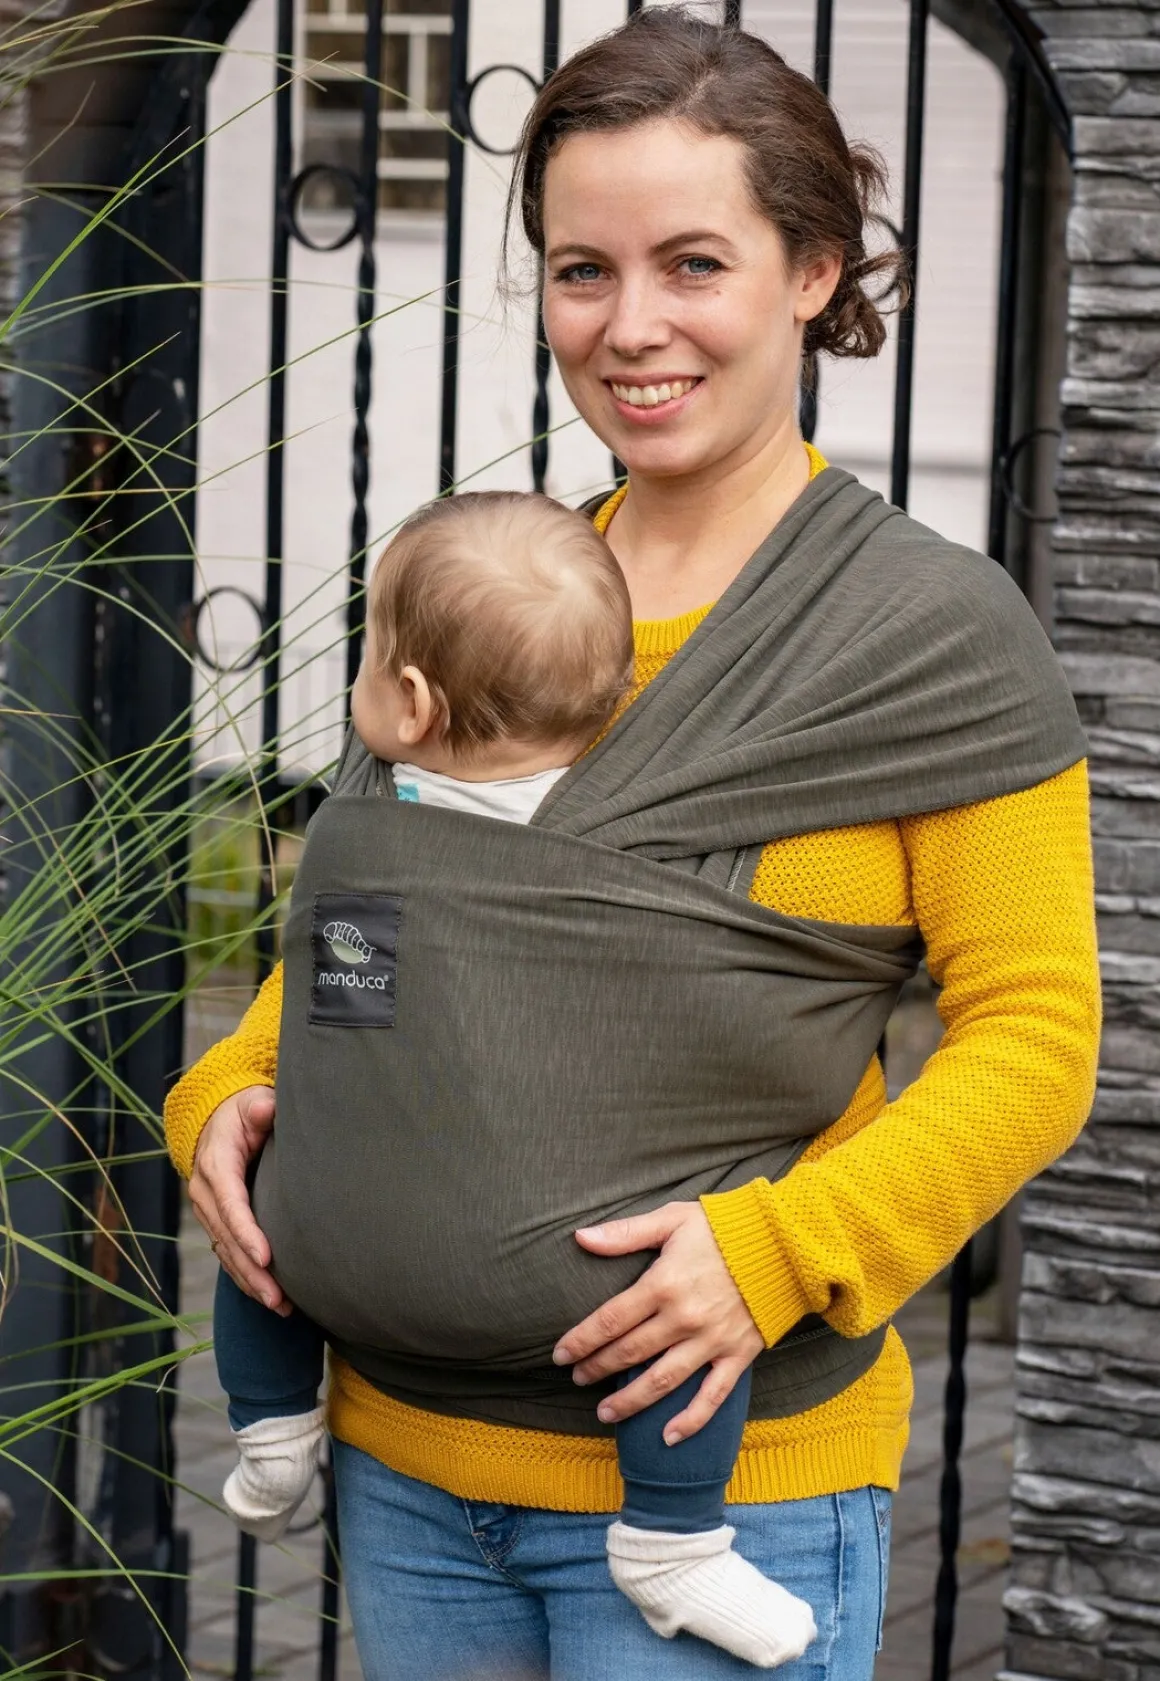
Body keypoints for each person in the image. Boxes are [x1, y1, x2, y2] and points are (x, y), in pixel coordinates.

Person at [166, 11, 1101, 1679]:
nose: (631, 326)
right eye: (581, 270)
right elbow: (371, 932)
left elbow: (1036, 1036)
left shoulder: (925, 634)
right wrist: (227, 1099)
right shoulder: (489, 588)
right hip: (403, 1473)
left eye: (694, 264)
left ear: (815, 273)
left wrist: (777, 1252)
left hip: (728, 1501)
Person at [211, 489, 816, 1664]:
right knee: (688, 1316)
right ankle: (672, 1536)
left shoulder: (367, 823)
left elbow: (339, 1006)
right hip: (588, 1279)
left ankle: (271, 1426)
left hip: (339, 1255)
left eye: (366, 656)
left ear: (412, 701)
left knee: (264, 1214)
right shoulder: (642, 833)